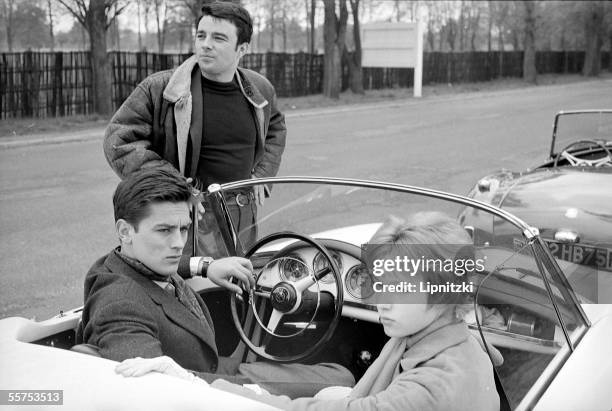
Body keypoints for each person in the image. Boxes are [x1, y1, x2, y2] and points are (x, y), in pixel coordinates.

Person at [115, 212, 501, 411]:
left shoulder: (431, 387)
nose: (381, 299)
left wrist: (200, 387)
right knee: (334, 384)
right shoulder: (427, 336)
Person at [82, 168, 353, 395]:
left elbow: (170, 266)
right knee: (342, 383)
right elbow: (152, 391)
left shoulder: (137, 261)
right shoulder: (118, 303)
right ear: (125, 231)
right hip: (207, 388)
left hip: (217, 369)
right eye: (164, 230)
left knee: (339, 374)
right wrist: (250, 393)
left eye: (184, 229)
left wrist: (205, 265)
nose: (179, 244)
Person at [103, 1, 286, 278]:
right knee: (192, 291)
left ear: (242, 49)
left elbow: (276, 126)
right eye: (201, 35)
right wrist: (173, 187)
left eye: (218, 38)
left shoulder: (259, 88)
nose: (205, 44)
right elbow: (119, 141)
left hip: (242, 211)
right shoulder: (161, 89)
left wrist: (264, 172)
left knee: (241, 288)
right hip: (191, 214)